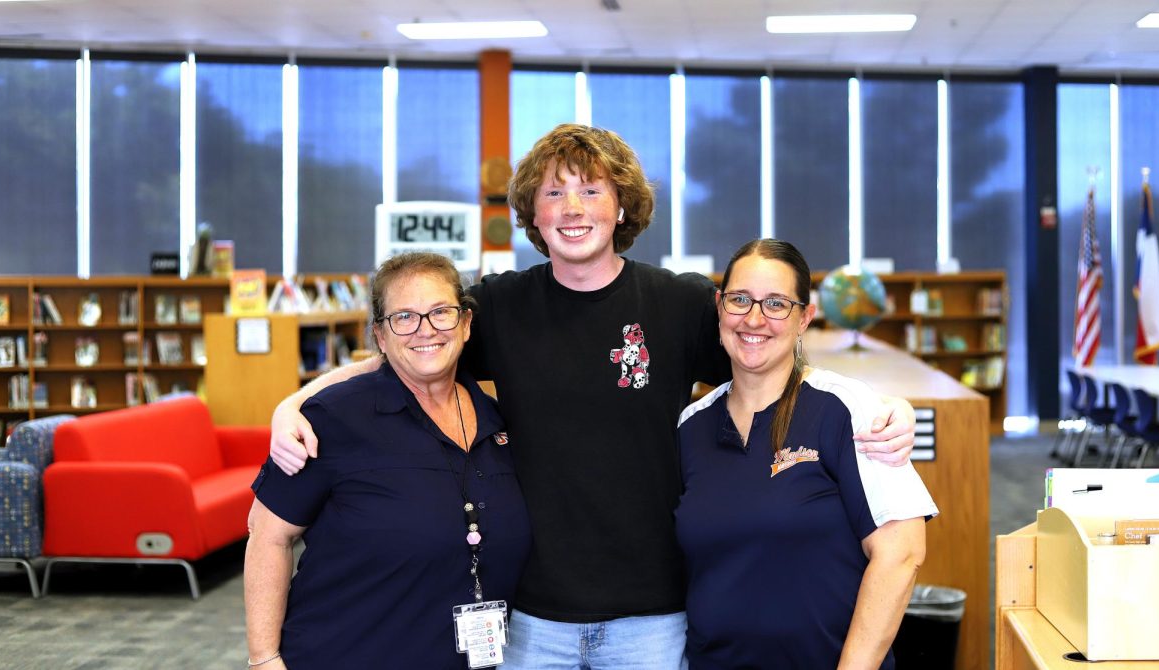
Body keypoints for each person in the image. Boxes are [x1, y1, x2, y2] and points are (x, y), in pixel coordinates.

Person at [268, 124, 919, 668]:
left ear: (621, 205)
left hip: (653, 616)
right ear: (533, 213)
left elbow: (772, 347)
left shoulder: (681, 303)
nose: (573, 208)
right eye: (554, 193)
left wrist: (883, 403)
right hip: (531, 616)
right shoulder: (499, 305)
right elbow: (405, 349)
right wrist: (295, 402)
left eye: (590, 189)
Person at [244, 253, 531, 668]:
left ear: (466, 324)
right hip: (344, 655)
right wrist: (263, 658)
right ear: (381, 336)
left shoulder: (497, 421)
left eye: (440, 312)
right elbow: (268, 534)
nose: (425, 330)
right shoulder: (333, 418)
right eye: (404, 318)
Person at [676, 239, 935, 669]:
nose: (754, 318)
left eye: (776, 303)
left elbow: (901, 553)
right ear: (720, 308)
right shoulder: (691, 426)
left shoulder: (844, 408)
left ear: (804, 319)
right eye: (740, 300)